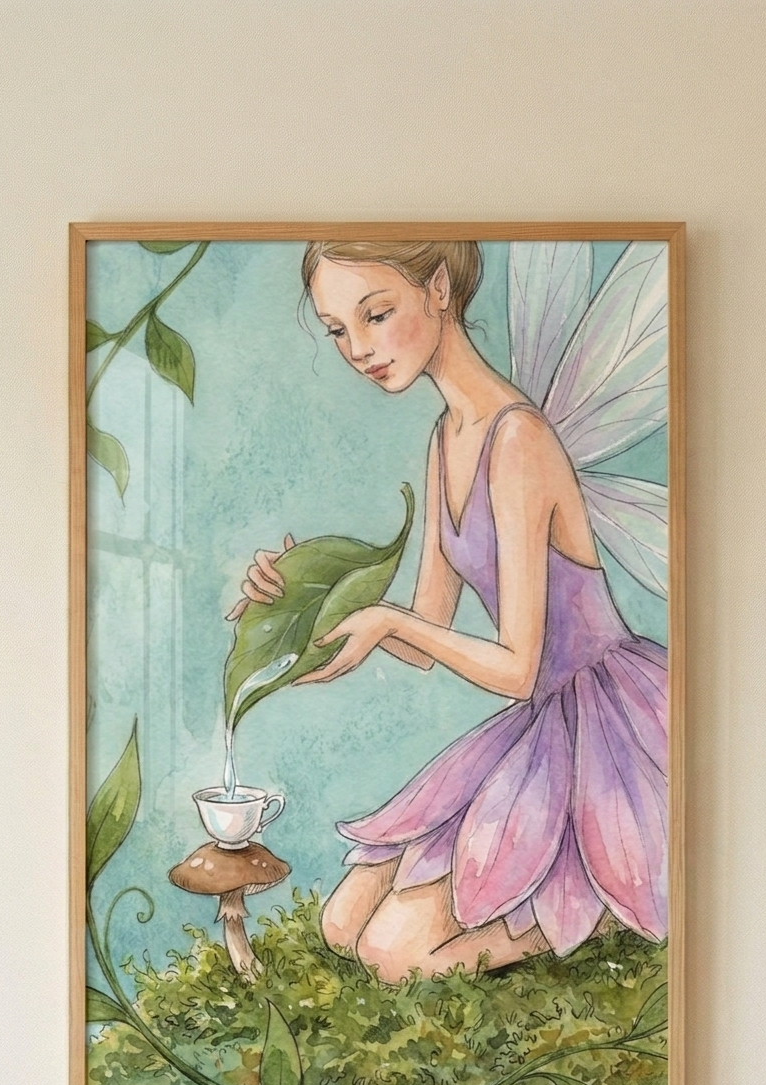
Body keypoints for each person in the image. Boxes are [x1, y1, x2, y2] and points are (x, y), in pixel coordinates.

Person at [231, 239, 669, 985]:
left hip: (605, 727)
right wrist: (303, 601)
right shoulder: (448, 437)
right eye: (338, 330)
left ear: (438, 288)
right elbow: (428, 627)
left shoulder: (519, 439)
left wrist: (390, 623)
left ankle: (587, 909)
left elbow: (516, 666)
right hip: (538, 726)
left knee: (390, 954)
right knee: (340, 926)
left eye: (375, 314)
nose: (358, 349)